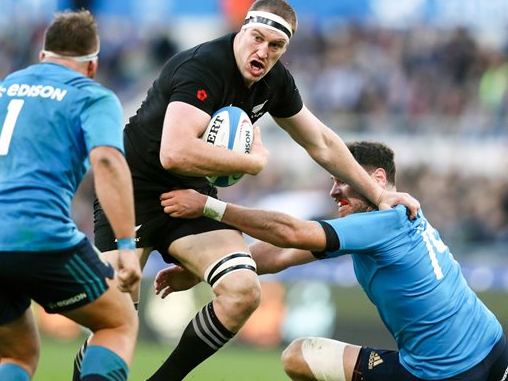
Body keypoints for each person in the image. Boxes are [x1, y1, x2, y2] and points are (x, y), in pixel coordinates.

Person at [79, 0, 420, 381]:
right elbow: (173, 153)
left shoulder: (274, 82)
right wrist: (253, 161)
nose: (263, 51)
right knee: (114, 319)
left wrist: (379, 196)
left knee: (243, 290)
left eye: (276, 46)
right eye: (257, 37)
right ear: (242, 29)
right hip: (131, 192)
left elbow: (321, 142)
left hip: (192, 198)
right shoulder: (205, 66)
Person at [156, 141, 508, 381]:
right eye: (333, 180)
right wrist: (208, 272)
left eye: (342, 181)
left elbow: (290, 233)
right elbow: (279, 254)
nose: (333, 190)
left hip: (444, 371)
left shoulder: (380, 223)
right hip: (493, 347)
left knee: (298, 355)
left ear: (377, 180)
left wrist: (210, 207)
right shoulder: (396, 216)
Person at [0, 10, 141, 381]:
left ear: (42, 57)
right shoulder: (92, 96)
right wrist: (126, 245)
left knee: (15, 356)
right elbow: (108, 162)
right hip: (38, 235)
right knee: (118, 322)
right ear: (92, 66)